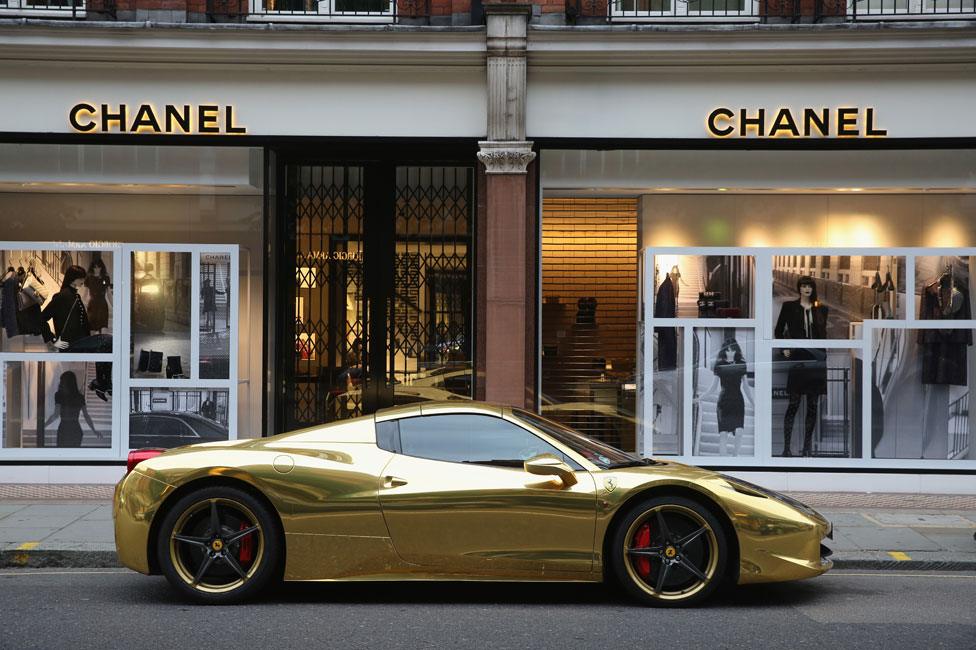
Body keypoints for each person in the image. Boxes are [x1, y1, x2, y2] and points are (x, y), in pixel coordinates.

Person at [774, 275, 828, 457]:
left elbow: (822, 334)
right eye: (804, 286)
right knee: (794, 403)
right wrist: (784, 349)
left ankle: (807, 448)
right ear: (799, 288)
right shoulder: (789, 307)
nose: (807, 289)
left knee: (813, 405)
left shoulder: (821, 309)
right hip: (798, 359)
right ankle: (786, 448)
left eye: (809, 286)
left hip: (817, 360)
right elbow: (778, 330)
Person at [42, 265, 113, 400]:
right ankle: (101, 383)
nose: (83, 281)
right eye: (81, 278)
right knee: (108, 341)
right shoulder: (62, 296)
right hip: (71, 344)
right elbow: (41, 318)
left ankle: (103, 382)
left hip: (79, 341)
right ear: (74, 279)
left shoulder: (75, 296)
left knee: (107, 344)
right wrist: (52, 340)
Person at [711, 338, 750, 457]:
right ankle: (723, 463)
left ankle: (735, 457)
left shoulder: (741, 364)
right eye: (727, 351)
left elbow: (746, 387)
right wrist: (698, 398)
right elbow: (713, 387)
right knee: (723, 434)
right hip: (723, 402)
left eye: (732, 350)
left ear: (736, 351)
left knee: (739, 432)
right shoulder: (719, 365)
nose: (730, 353)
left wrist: (754, 403)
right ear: (724, 351)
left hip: (738, 401)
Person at [44, 370, 102, 447]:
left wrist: (43, 426)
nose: (60, 383)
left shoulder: (59, 395)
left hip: (64, 429)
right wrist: (94, 430)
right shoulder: (80, 397)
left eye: (62, 381)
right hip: (76, 430)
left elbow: (55, 415)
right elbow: (86, 416)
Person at [84, 258, 111, 334]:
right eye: (95, 267)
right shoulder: (88, 278)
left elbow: (109, 294)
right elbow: (85, 294)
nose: (97, 269)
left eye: (98, 267)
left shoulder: (106, 278)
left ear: (101, 267)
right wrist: (84, 304)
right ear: (92, 268)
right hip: (92, 305)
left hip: (102, 305)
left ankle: (101, 345)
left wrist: (115, 306)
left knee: (103, 329)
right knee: (92, 329)